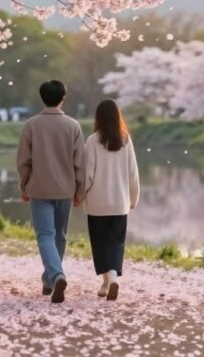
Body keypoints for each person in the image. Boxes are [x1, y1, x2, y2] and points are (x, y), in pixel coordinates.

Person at [16, 80, 85, 304]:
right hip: (65, 190)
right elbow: (79, 163)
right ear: (63, 98)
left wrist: (24, 185)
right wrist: (79, 190)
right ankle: (49, 280)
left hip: (40, 189)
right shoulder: (73, 126)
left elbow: (23, 161)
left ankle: (55, 276)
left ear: (42, 97)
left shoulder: (31, 125)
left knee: (45, 235)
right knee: (60, 235)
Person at [83, 99, 139, 301]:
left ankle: (107, 281)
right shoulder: (125, 140)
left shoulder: (92, 141)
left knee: (99, 243)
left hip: (97, 203)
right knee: (115, 242)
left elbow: (87, 174)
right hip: (119, 202)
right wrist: (134, 197)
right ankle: (111, 280)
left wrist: (80, 195)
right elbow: (133, 173)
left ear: (98, 118)